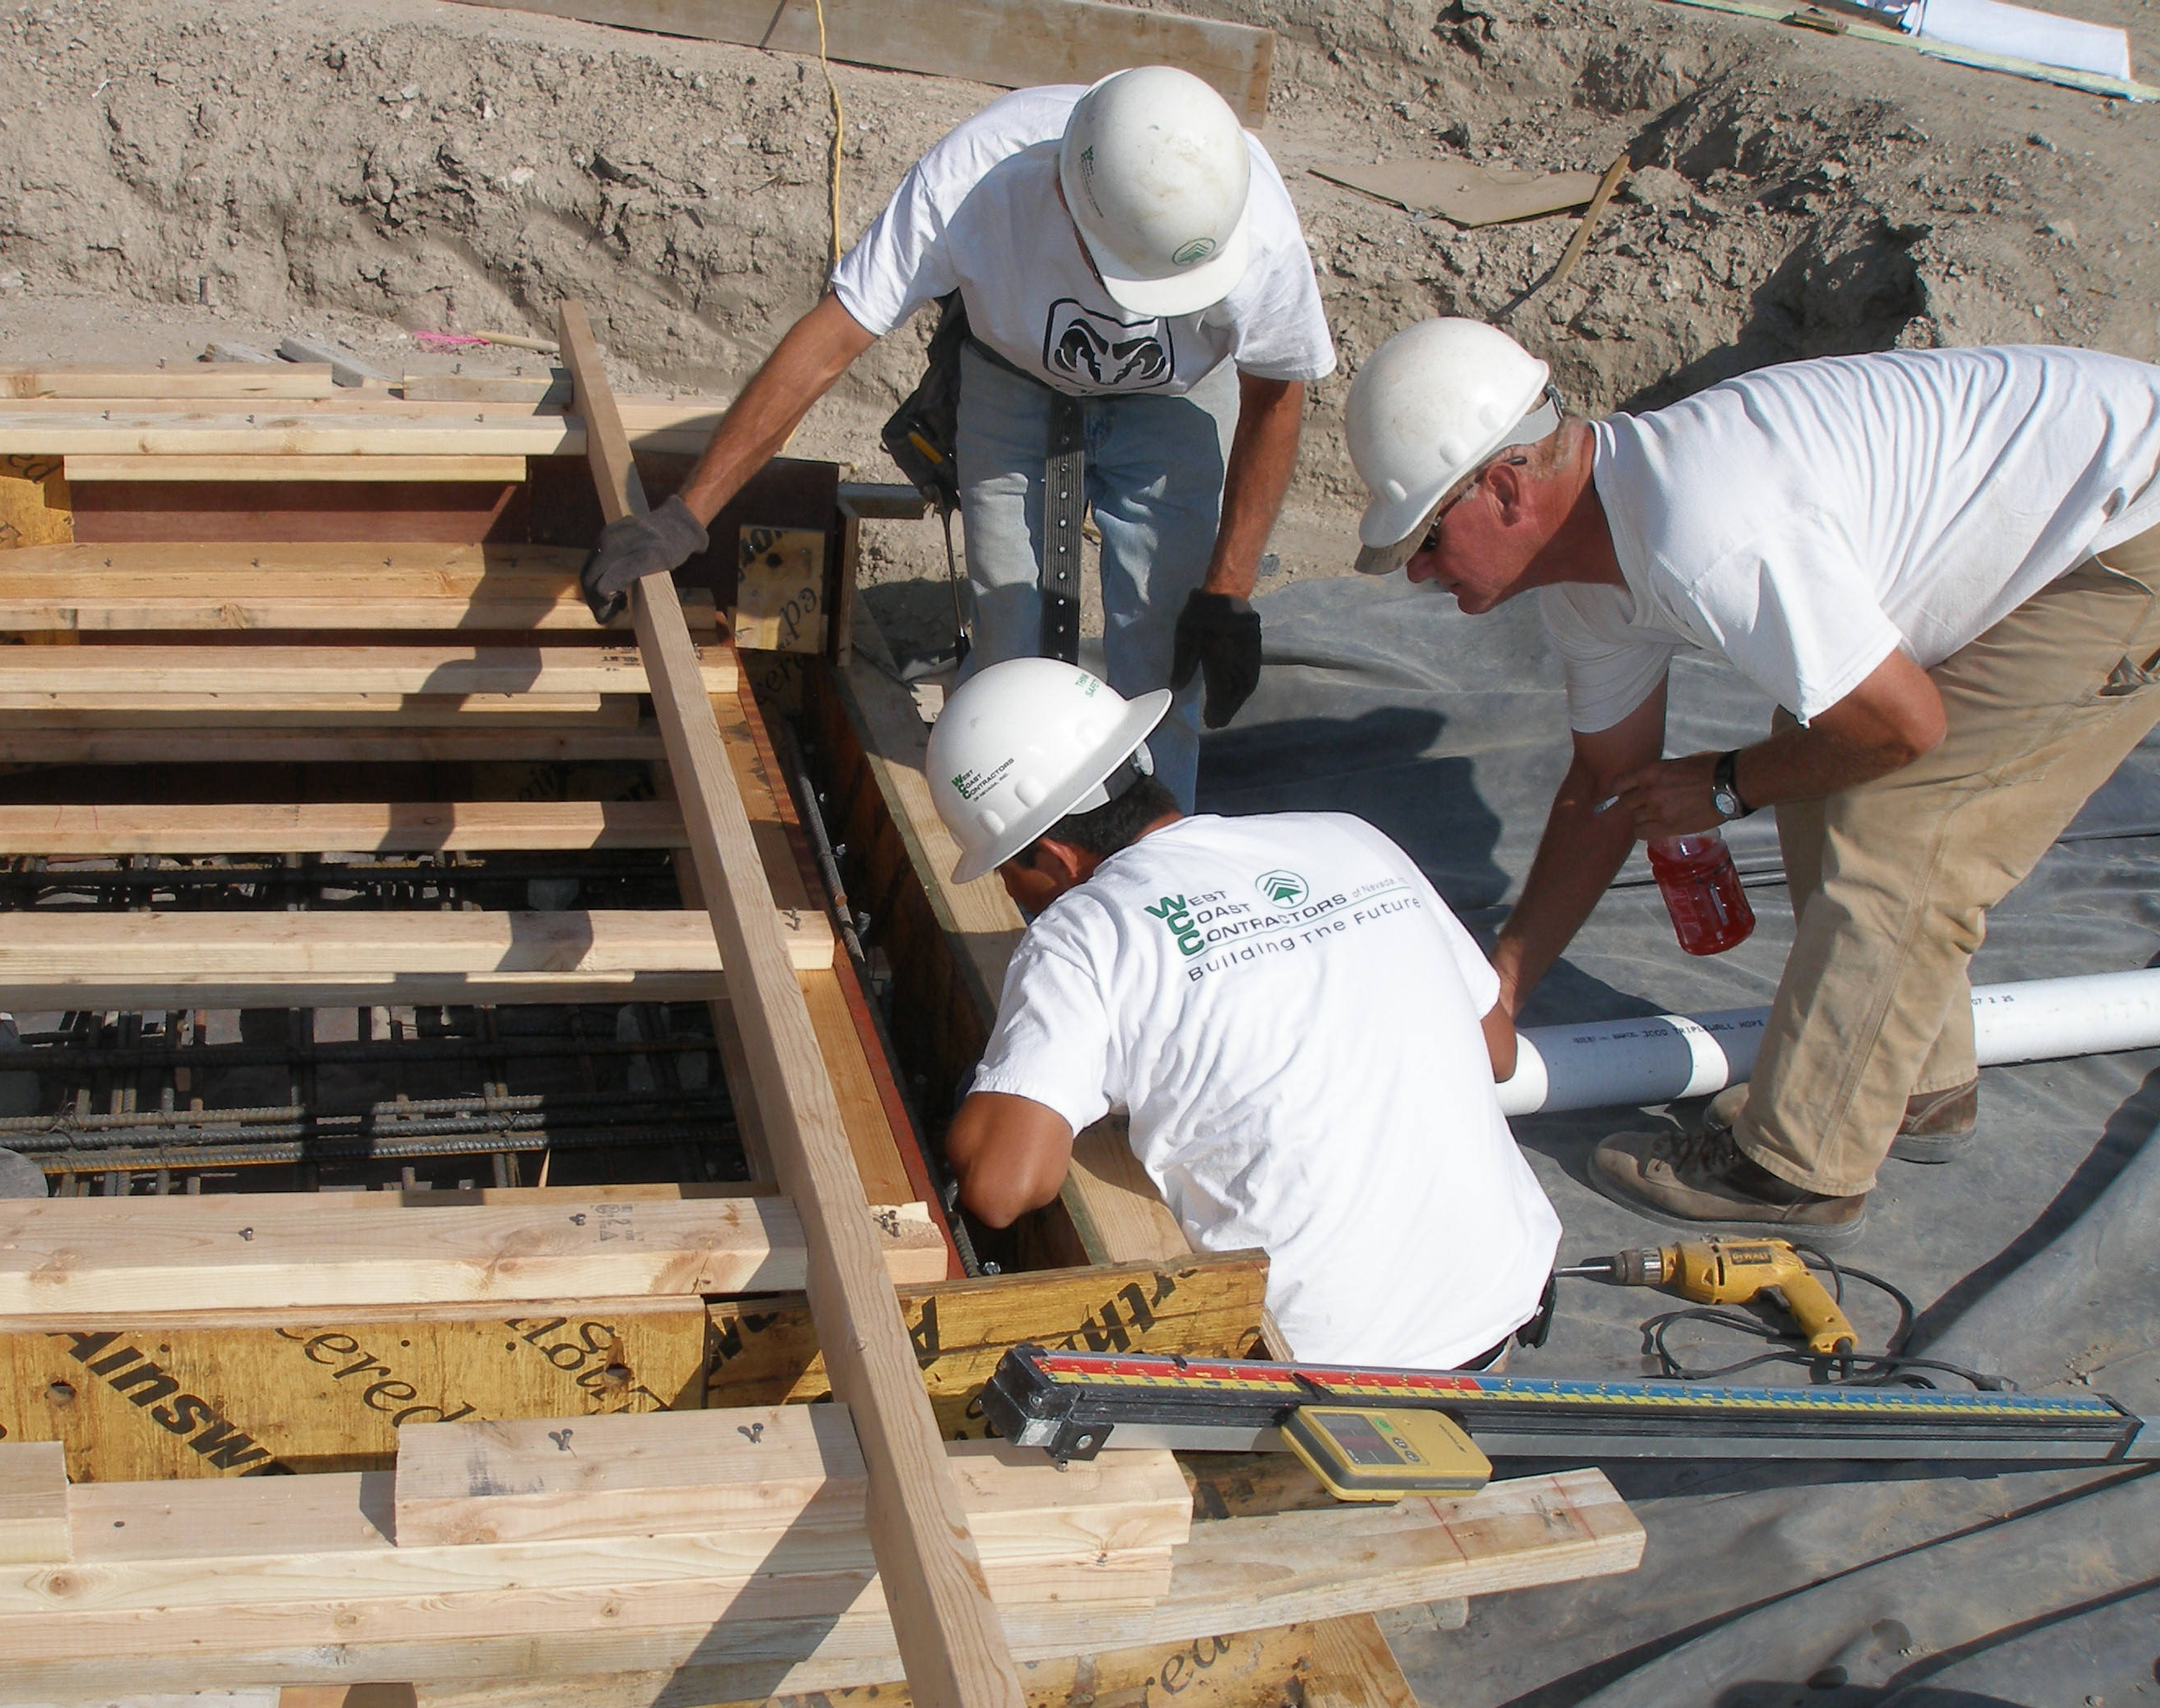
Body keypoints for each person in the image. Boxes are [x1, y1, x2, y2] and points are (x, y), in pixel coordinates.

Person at [1343, 318, 2160, 1242]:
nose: (1417, 574)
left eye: (1426, 537)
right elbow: (1610, 783)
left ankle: (1798, 1169)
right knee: (1821, 750)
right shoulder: (1587, 575)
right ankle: (1909, 1085)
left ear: (1503, 488)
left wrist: (1728, 785)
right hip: (2065, 501)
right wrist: (1502, 995)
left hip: (2128, 523)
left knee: (1899, 821)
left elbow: (1904, 725)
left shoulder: (1708, 529)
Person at [580, 65, 1336, 809]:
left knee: (1168, 653)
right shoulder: (977, 179)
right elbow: (832, 340)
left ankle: (1152, 854)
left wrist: (1229, 592)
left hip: (1175, 397)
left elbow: (1275, 395)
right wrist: (687, 514)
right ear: (1069, 208)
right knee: (1010, 644)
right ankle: (1019, 835)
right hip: (1014, 376)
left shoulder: (1254, 224)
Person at [930, 658, 1559, 1368]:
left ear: (1050, 856)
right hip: (1501, 1304)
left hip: (1326, 1366)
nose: (1019, 898)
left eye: (1009, 872)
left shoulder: (1081, 931)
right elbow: (1498, 1051)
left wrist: (985, 1095)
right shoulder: (1349, 837)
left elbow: (1000, 1187)